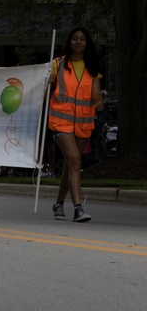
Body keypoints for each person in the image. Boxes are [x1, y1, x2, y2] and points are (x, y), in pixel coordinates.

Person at [48, 27, 103, 223]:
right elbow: (49, 90)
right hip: (60, 121)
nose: (78, 42)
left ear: (87, 43)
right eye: (75, 38)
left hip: (82, 123)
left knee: (71, 164)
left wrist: (99, 102)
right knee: (74, 160)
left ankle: (59, 203)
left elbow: (95, 94)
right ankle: (78, 208)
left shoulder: (92, 67)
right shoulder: (58, 64)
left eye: (82, 39)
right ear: (69, 42)